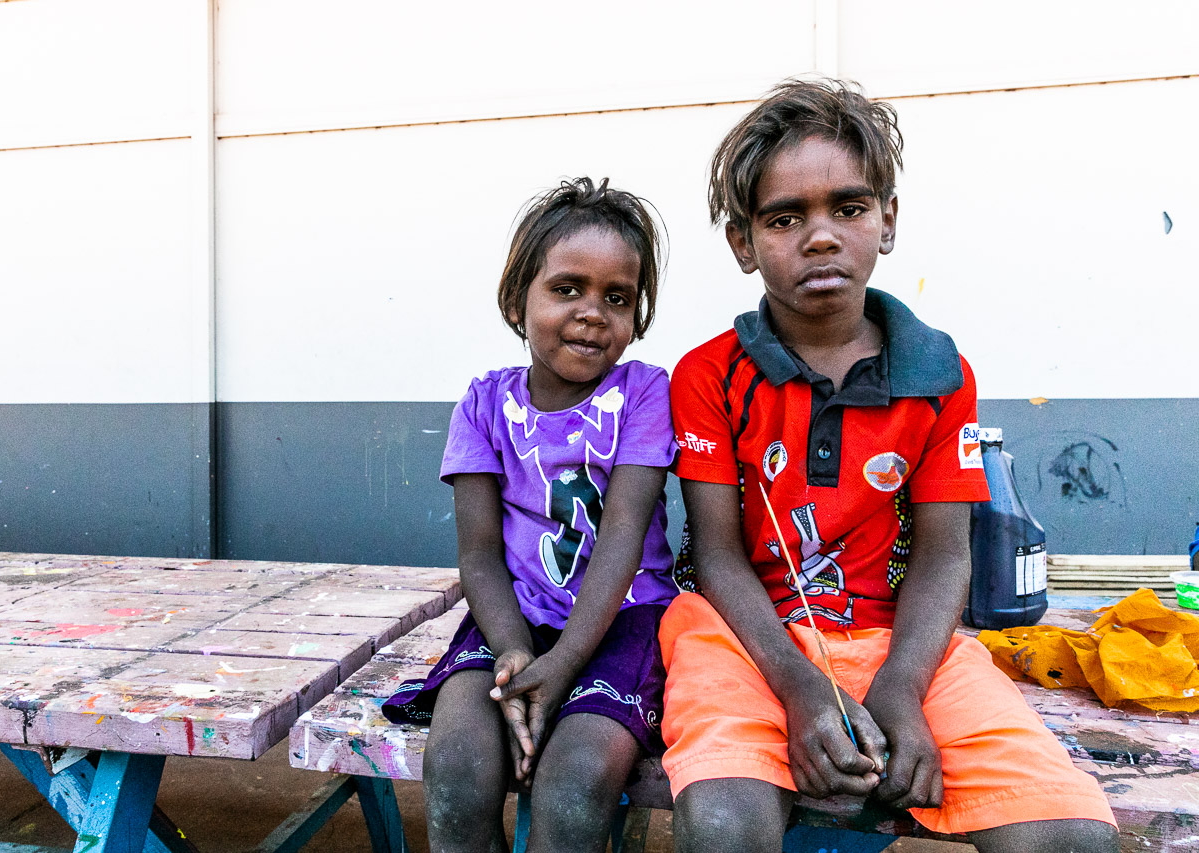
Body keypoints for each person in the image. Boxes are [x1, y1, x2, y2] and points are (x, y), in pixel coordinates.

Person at [660, 79, 1119, 852]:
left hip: (905, 641)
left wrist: (902, 688)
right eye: (784, 217)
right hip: (745, 637)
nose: (820, 236)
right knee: (723, 822)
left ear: (888, 220)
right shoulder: (709, 376)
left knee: (1073, 834)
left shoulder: (942, 375)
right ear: (744, 243)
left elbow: (946, 550)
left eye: (848, 207)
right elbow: (716, 552)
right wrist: (803, 686)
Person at [382, 177, 678, 853]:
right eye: (567, 288)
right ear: (518, 301)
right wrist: (516, 652)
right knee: (456, 770)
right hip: (510, 617)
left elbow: (623, 537)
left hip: (622, 620)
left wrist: (568, 657)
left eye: (617, 296)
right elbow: (480, 554)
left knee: (574, 787)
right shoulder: (485, 404)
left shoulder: (643, 394)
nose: (593, 311)